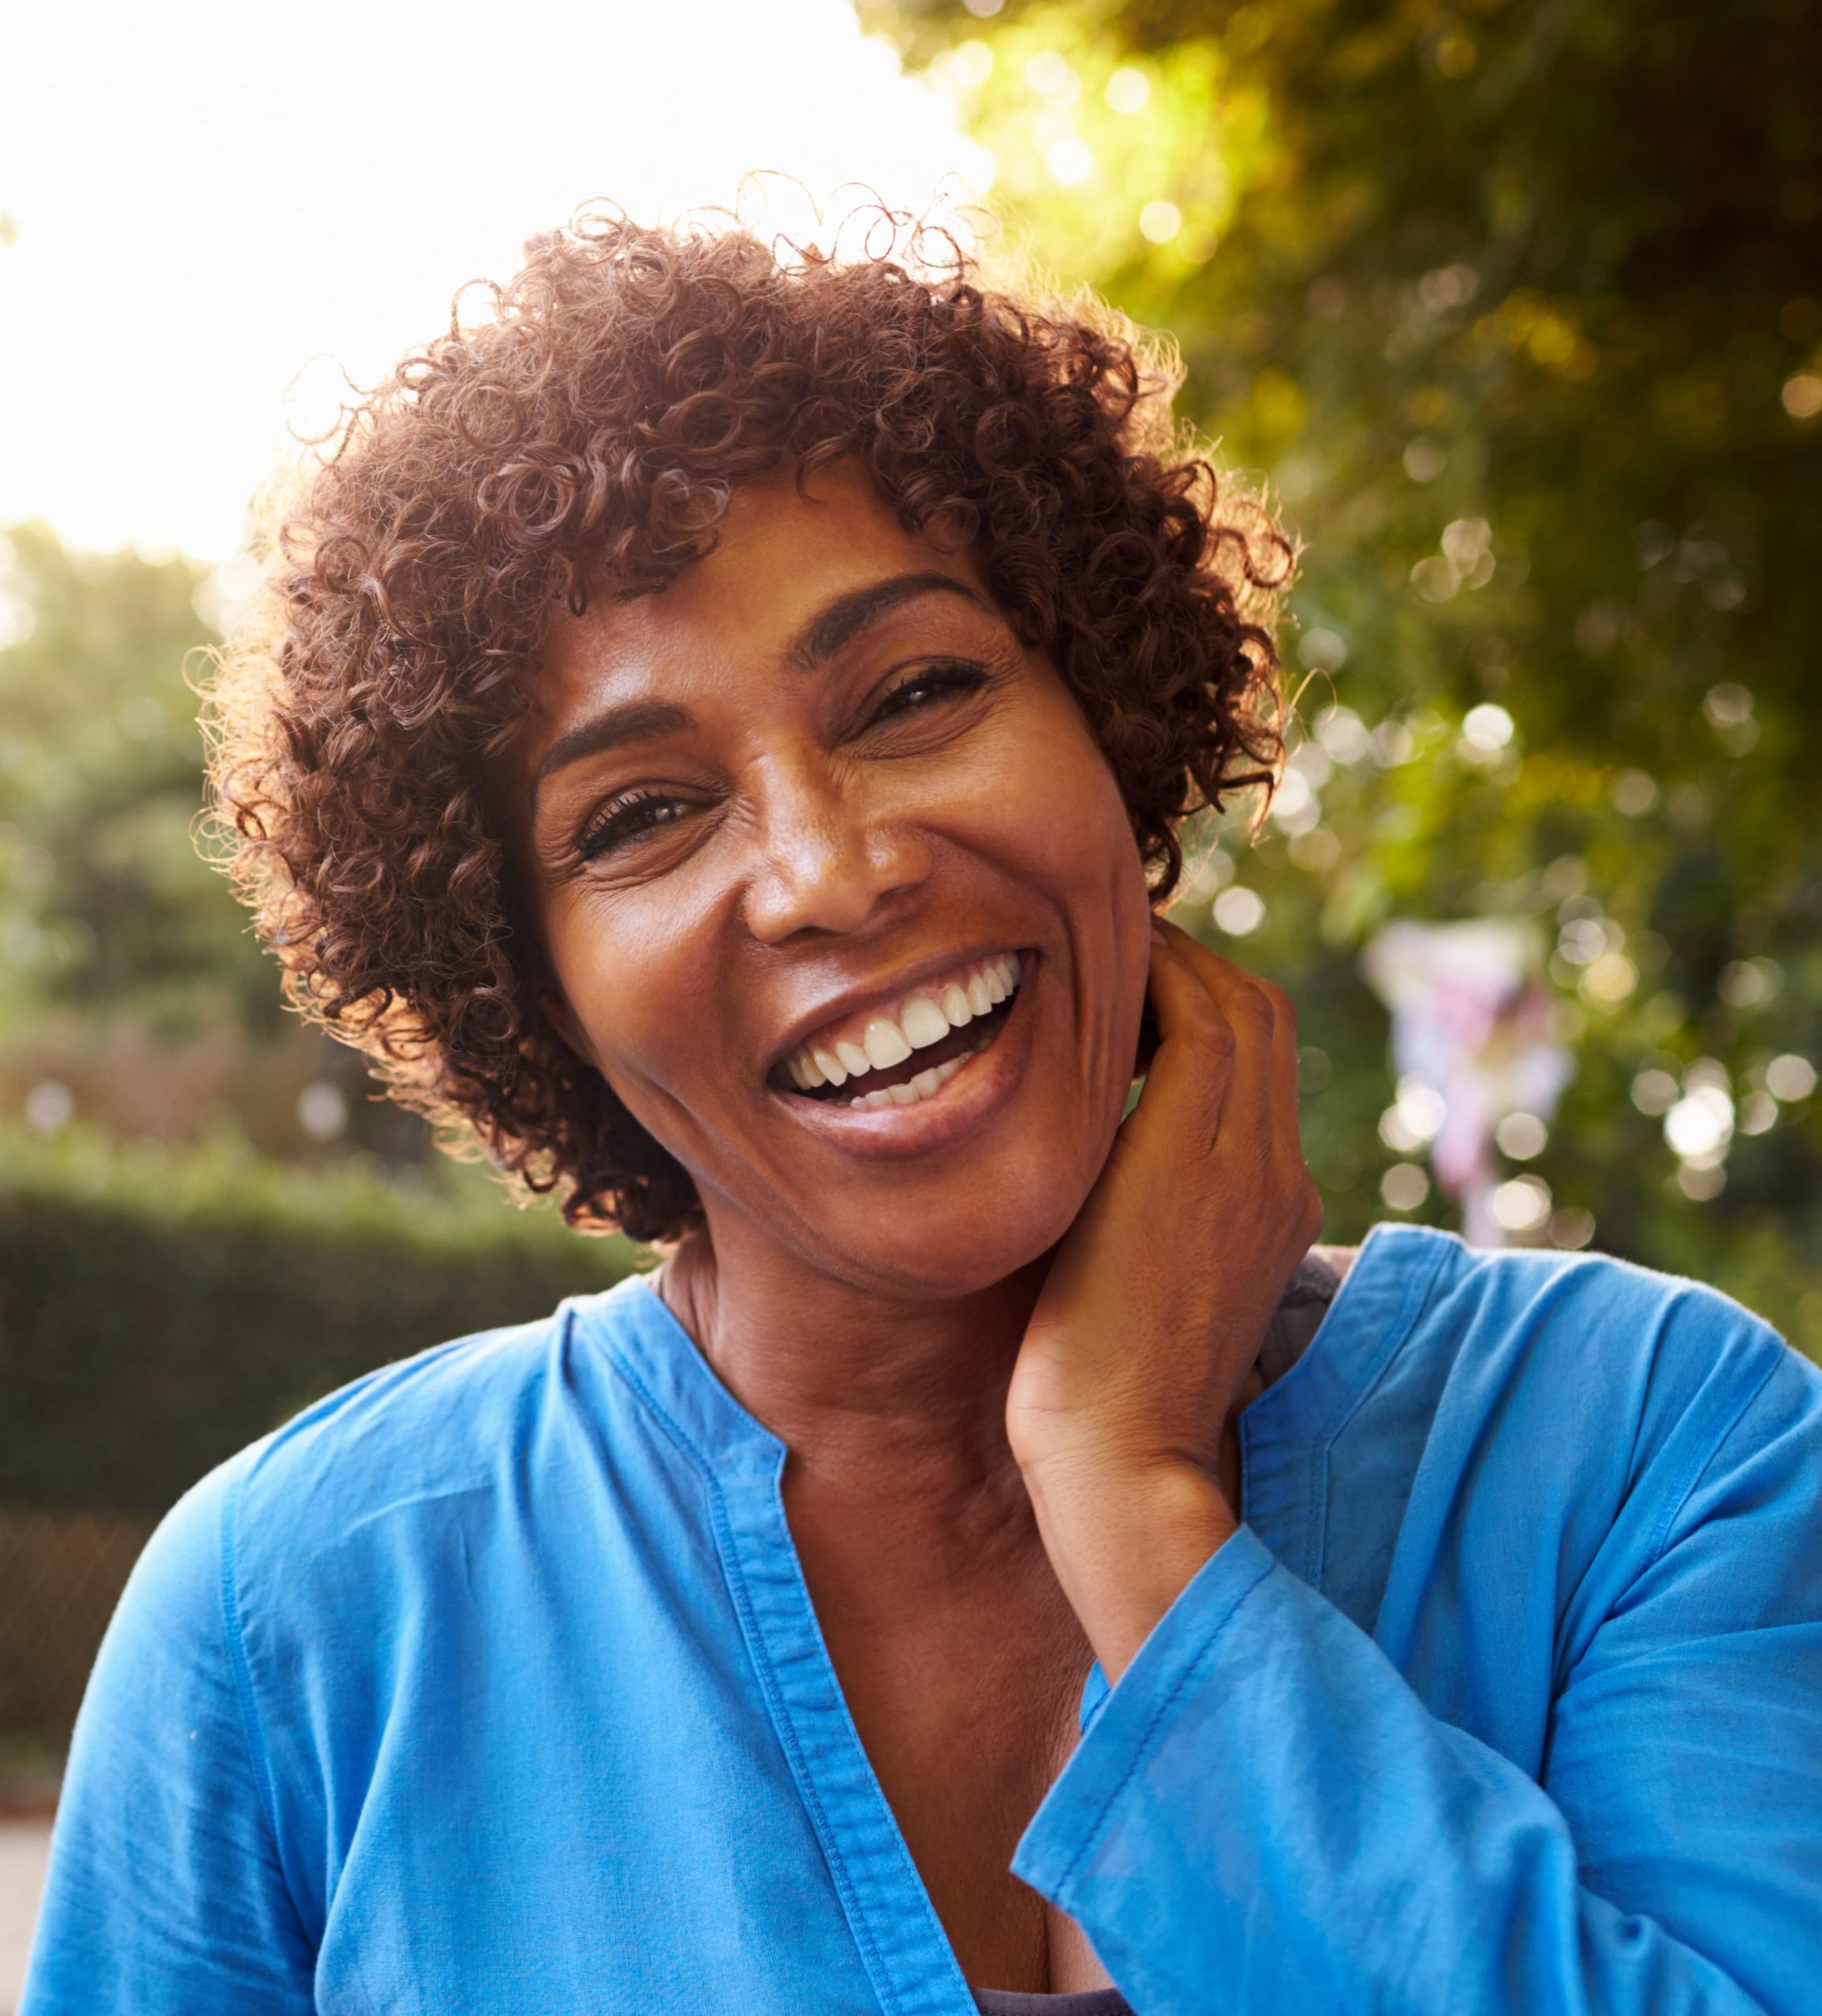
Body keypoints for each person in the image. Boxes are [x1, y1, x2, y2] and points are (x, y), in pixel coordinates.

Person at [22, 212, 1822, 2016]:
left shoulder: (1647, 1444)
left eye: (917, 692)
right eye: (639, 815)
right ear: (526, 979)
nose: (831, 869)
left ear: (1113, 721)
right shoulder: (298, 1619)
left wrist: (1134, 1497)